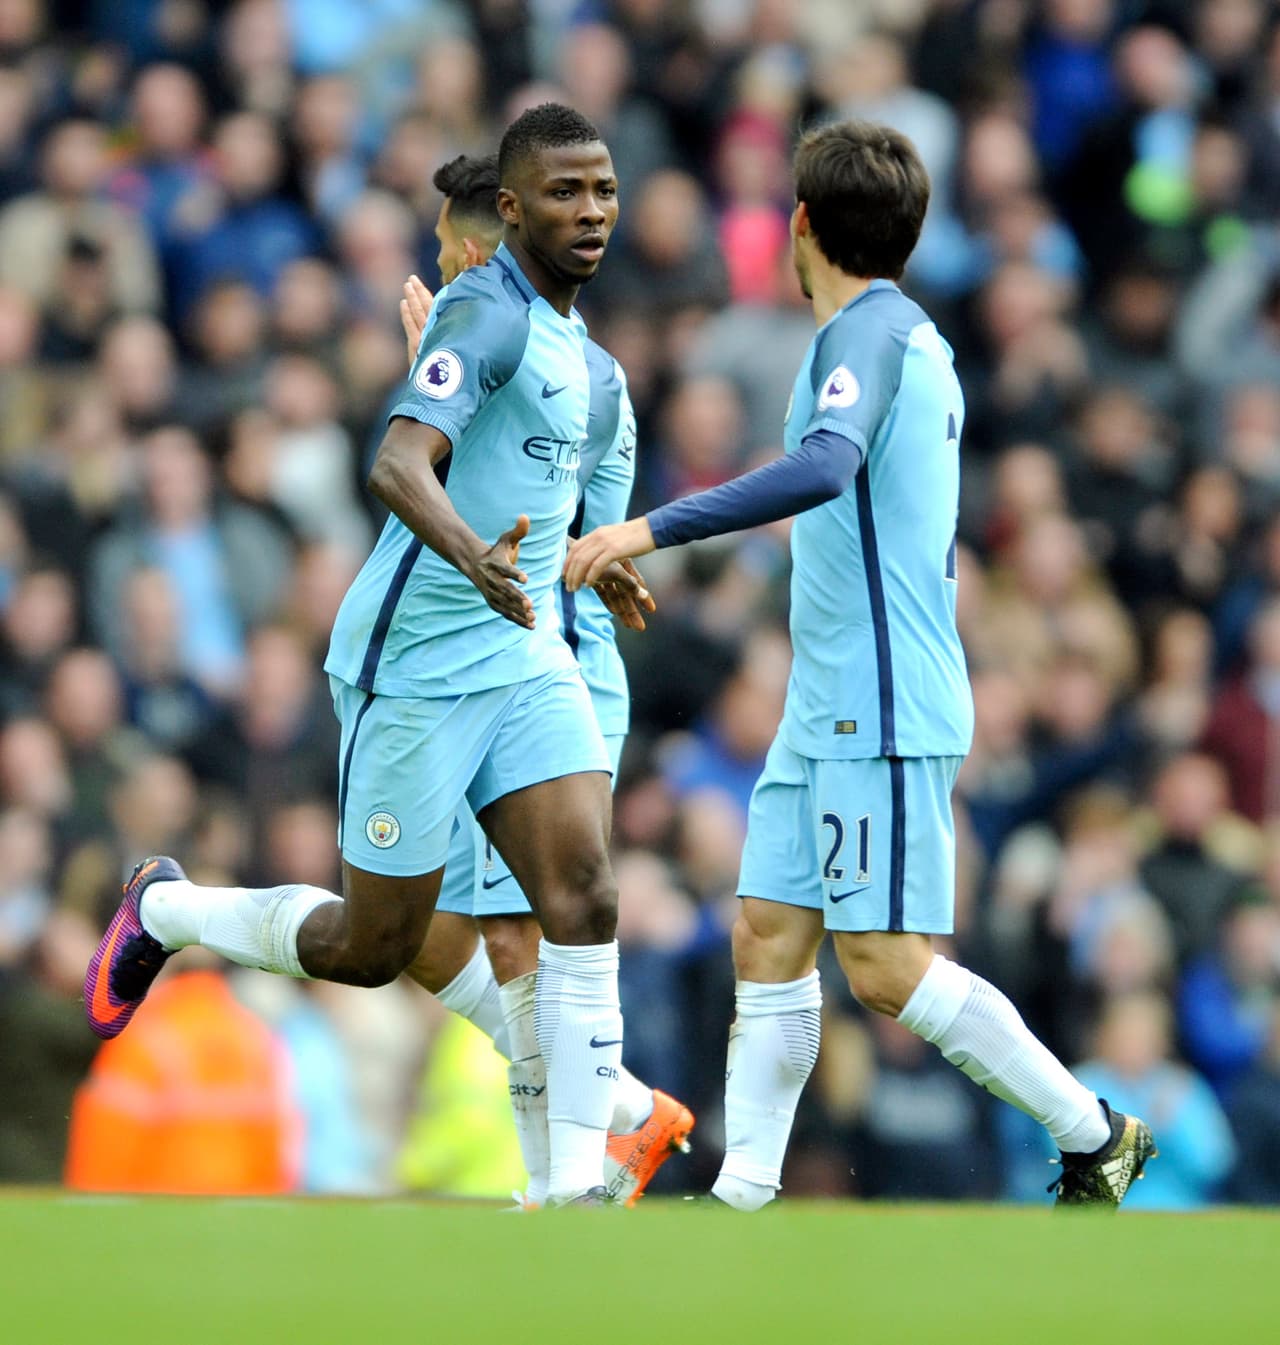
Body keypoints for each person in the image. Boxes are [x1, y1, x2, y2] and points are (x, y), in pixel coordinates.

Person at [565, 119, 1157, 1210]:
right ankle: (744, 1193)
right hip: (829, 700)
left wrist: (645, 529)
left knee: (882, 966)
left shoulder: (866, 337)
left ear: (800, 224)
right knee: (767, 932)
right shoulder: (894, 337)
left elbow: (824, 467)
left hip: (878, 704)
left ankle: (1095, 1130)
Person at [86, 104, 651, 1207]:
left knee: (582, 897)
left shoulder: (588, 364)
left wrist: (598, 564)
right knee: (373, 945)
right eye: (565, 193)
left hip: (527, 658)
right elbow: (395, 466)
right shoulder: (484, 314)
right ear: (512, 212)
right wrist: (472, 559)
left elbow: (555, 502)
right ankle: (165, 910)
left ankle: (576, 1192)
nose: (591, 212)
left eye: (603, 191)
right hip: (418, 667)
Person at [395, 151, 693, 1207]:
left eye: (446, 249)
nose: (438, 265)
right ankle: (617, 1115)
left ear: (482, 252)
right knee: (453, 934)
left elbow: (536, 532)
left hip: (537, 668)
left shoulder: (561, 368)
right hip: (512, 663)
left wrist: (443, 370)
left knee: (516, 936)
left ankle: (563, 1178)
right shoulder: (549, 357)